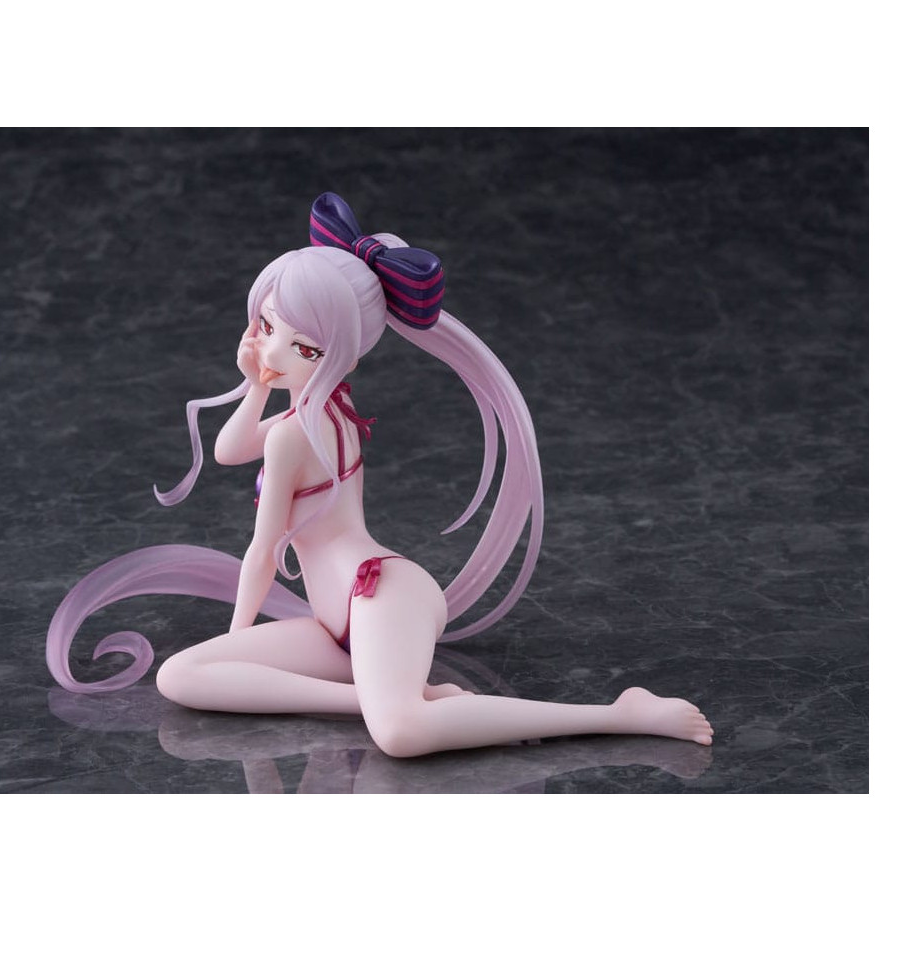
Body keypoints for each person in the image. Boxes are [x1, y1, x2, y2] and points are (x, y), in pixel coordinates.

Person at [46, 192, 713, 757]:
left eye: (302, 346)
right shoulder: (320, 411)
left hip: (382, 594)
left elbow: (261, 552)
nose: (272, 347)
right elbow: (229, 450)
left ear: (338, 355)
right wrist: (257, 383)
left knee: (399, 734)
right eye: (267, 326)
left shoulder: (297, 433)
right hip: (335, 624)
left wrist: (240, 641)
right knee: (181, 676)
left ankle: (619, 714)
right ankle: (371, 696)